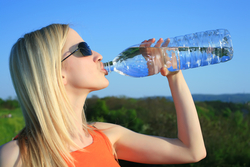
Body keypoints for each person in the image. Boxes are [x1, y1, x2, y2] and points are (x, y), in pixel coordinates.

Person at [0, 24, 206, 167]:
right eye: (83, 49)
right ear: (55, 72)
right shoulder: (15, 157)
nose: (98, 55)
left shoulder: (106, 135)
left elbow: (192, 151)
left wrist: (174, 75)